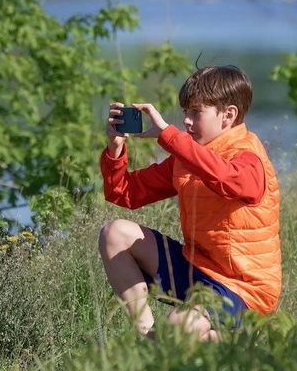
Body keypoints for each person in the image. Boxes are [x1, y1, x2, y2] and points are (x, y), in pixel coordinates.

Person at [99, 65, 281, 341]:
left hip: (245, 290)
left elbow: (230, 180)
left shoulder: (248, 156)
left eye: (196, 112)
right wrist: (116, 148)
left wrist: (172, 139)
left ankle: (232, 340)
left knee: (177, 325)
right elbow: (125, 192)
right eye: (185, 112)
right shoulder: (188, 156)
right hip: (198, 269)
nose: (186, 121)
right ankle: (147, 338)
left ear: (228, 116)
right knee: (114, 234)